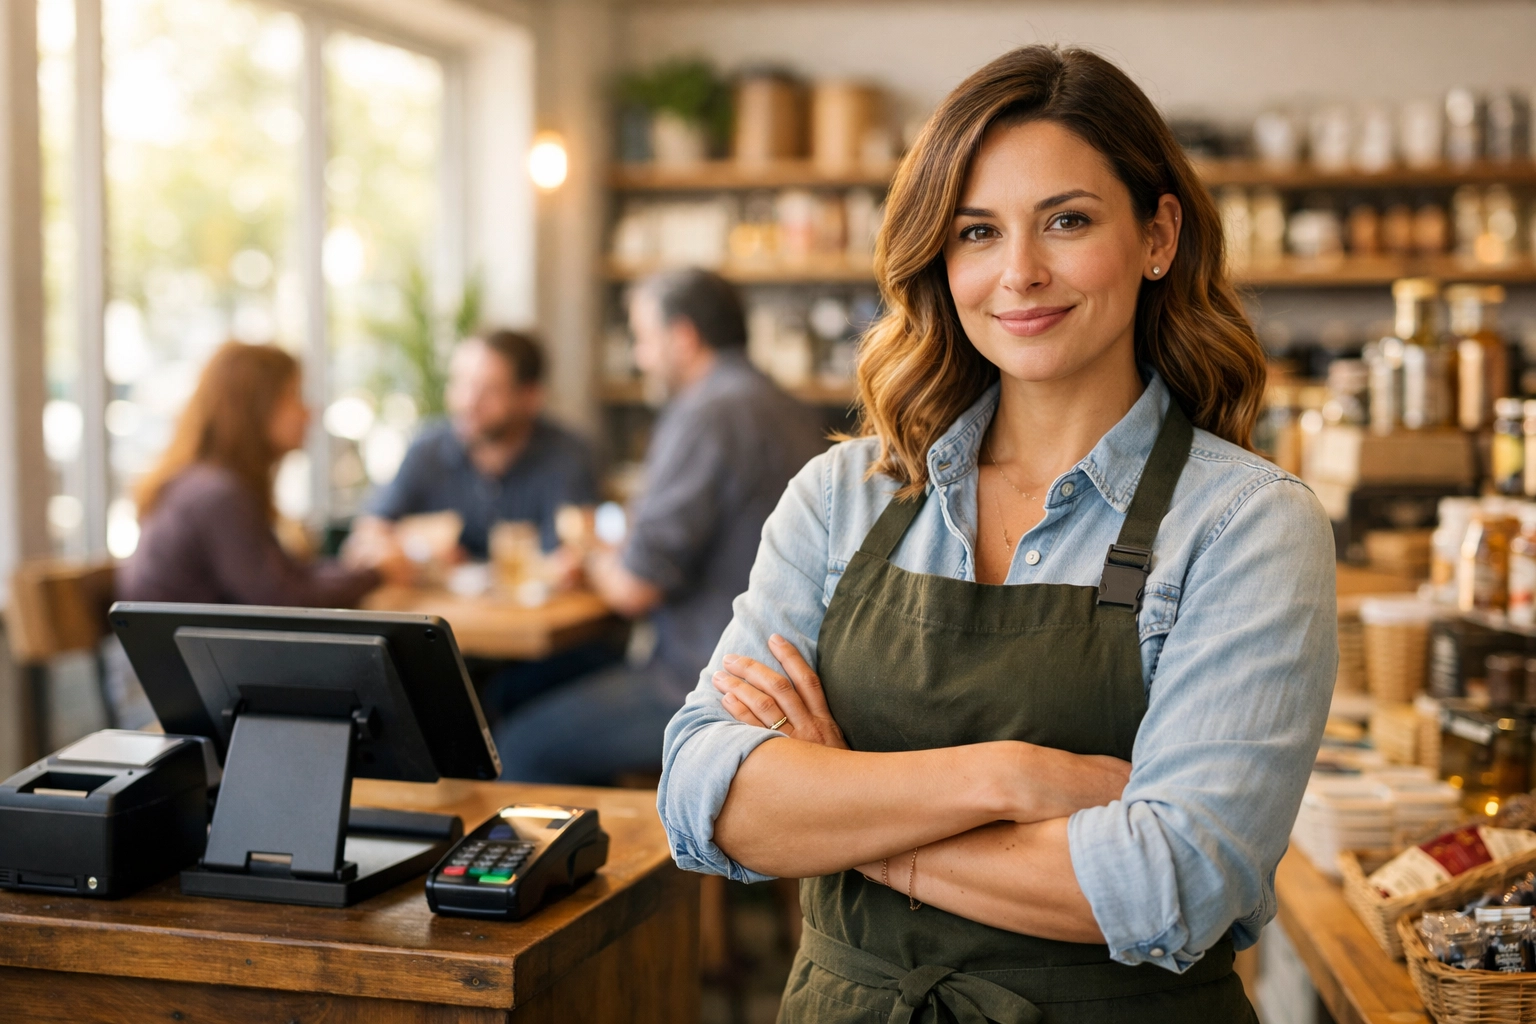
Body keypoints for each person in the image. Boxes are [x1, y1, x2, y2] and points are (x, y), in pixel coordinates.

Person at [658, 46, 1336, 1023]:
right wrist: (1007, 777)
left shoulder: (1244, 525)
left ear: (1157, 235)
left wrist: (843, 811)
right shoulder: (842, 495)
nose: (1019, 273)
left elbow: (1172, 882)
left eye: (1066, 220)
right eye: (977, 231)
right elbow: (702, 794)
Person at [493, 269, 826, 784]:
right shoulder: (788, 408)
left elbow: (634, 589)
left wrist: (587, 552)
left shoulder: (705, 414)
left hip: (713, 683)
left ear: (683, 337)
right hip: (791, 680)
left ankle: (630, 855)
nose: (640, 357)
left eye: (644, 338)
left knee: (517, 747)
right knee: (522, 689)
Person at [119, 341, 411, 608]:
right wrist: (376, 574)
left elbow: (290, 579)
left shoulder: (209, 483)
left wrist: (358, 571)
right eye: (293, 396)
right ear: (254, 406)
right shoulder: (217, 496)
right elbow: (285, 602)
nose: (307, 413)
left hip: (196, 658)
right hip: (184, 665)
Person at [352, 329, 598, 560]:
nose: (468, 401)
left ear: (530, 396)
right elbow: (365, 540)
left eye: (489, 390)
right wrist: (423, 550)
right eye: (461, 383)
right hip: (436, 606)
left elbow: (574, 553)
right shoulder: (427, 451)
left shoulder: (566, 456)